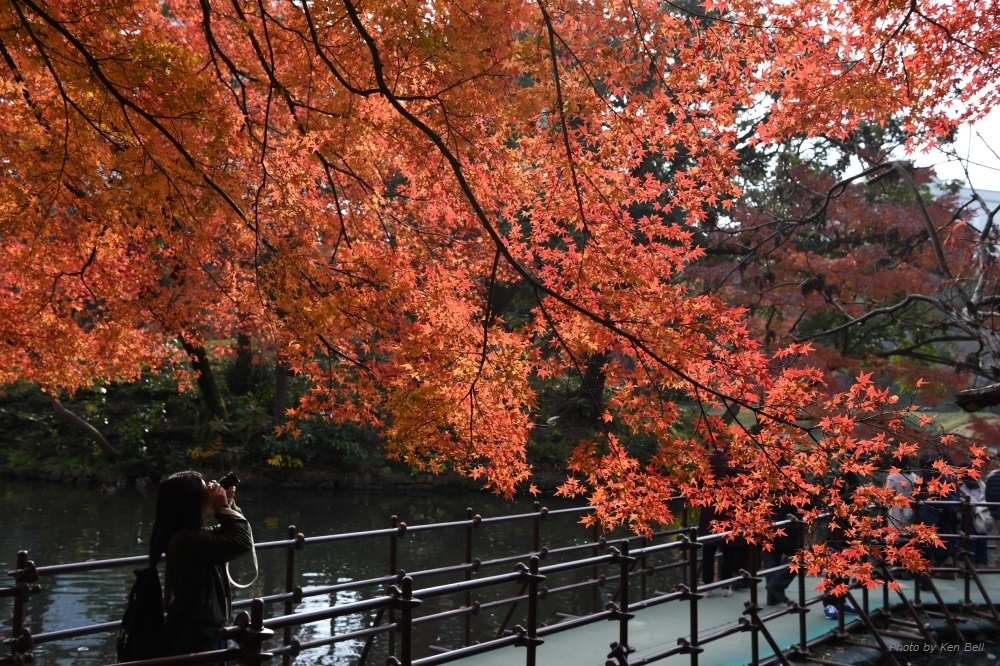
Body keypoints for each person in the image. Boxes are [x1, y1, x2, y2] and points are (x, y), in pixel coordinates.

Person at [148, 471, 253, 663]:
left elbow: (234, 532)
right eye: (204, 490)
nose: (209, 492)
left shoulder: (189, 535)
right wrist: (221, 506)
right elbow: (240, 542)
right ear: (189, 501)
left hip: (200, 630)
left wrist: (227, 505)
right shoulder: (187, 540)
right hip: (197, 635)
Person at [698, 448, 748, 596]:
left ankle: (707, 586)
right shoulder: (730, 462)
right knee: (728, 552)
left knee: (708, 550)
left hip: (709, 511)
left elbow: (698, 485)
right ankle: (726, 587)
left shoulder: (705, 463)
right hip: (728, 510)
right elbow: (740, 484)